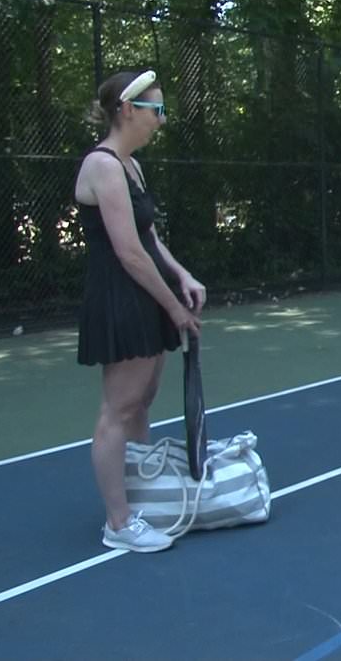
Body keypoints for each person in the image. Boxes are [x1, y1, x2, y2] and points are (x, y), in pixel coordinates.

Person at [74, 69, 204, 552]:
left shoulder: (131, 166)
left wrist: (182, 275)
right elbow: (128, 253)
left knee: (142, 402)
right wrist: (175, 308)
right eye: (157, 110)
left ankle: (137, 498)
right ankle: (119, 523)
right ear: (128, 110)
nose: (162, 121)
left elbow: (150, 240)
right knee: (119, 408)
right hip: (120, 296)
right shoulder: (103, 165)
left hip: (146, 293)